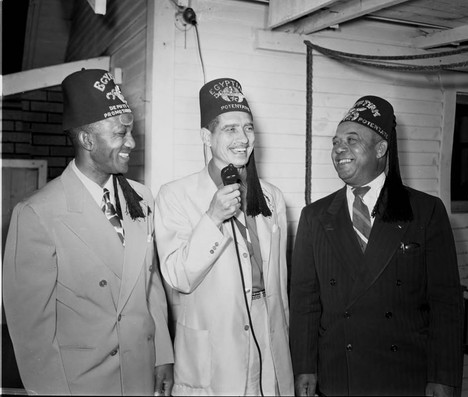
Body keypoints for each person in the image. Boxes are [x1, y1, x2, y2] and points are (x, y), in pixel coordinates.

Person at [2, 69, 174, 395]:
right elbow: (31, 332)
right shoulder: (37, 214)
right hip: (81, 383)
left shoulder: (141, 197)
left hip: (139, 372)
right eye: (120, 133)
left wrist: (162, 354)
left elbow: (149, 284)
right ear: (87, 139)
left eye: (131, 132)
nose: (132, 143)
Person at [289, 96, 464, 396]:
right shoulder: (315, 217)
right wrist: (305, 366)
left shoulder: (426, 212)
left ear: (381, 149)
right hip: (338, 377)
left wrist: (443, 377)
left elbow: (445, 303)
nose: (338, 149)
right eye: (336, 142)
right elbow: (305, 302)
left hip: (404, 377)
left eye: (351, 140)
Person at [155, 78, 294, 396]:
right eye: (230, 129)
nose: (243, 138)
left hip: (268, 335)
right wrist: (213, 218)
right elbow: (177, 277)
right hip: (214, 346)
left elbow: (280, 287)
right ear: (207, 136)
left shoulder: (271, 197)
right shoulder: (175, 195)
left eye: (248, 128)